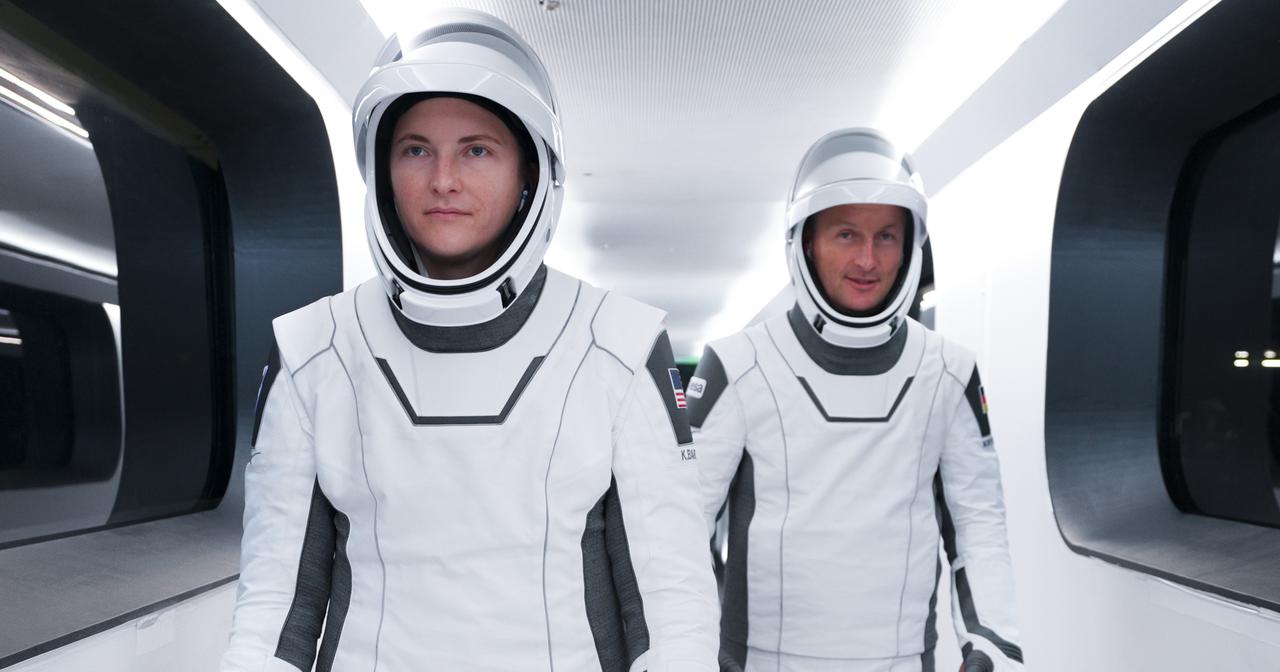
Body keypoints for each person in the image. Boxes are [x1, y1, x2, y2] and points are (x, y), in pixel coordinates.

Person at [220, 11, 718, 672]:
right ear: (382, 170)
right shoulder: (316, 349)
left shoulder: (619, 344)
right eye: (416, 149)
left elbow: (668, 606)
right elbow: (276, 608)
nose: (443, 180)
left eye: (477, 149)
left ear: (529, 175)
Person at [689, 129, 1022, 672]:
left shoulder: (947, 370)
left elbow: (979, 527)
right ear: (807, 241)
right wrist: (690, 649)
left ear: (910, 246)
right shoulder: (738, 363)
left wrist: (993, 645)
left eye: (886, 236)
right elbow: (682, 527)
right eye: (846, 234)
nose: (868, 259)